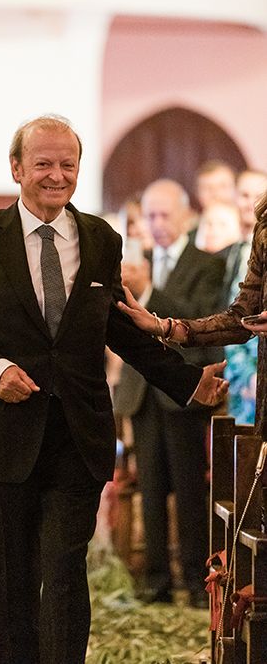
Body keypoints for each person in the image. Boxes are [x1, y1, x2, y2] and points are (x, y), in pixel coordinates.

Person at [0, 115, 228, 664]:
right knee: (9, 580)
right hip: (3, 435)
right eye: (43, 163)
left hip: (78, 433)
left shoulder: (100, 239)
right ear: (17, 168)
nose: (56, 175)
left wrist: (188, 383)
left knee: (65, 572)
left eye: (67, 164)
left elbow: (118, 329)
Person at [114, 179, 225, 608]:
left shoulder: (206, 264)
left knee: (188, 487)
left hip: (182, 391)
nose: (157, 225)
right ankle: (155, 581)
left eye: (165, 216)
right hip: (142, 392)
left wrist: (148, 293)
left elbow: (200, 319)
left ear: (185, 217)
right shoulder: (134, 259)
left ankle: (197, 582)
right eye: (151, 216)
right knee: (152, 486)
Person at [117, 178, 267, 442]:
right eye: (151, 215)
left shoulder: (205, 263)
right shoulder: (264, 227)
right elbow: (239, 319)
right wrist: (164, 327)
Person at [219, 170, 267, 424]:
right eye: (245, 194)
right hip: (241, 381)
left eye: (257, 195)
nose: (251, 202)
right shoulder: (233, 251)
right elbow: (234, 316)